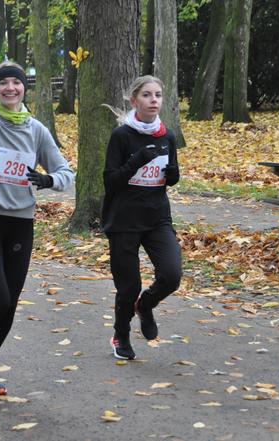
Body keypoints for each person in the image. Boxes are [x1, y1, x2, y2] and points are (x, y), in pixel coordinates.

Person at [0, 40, 75, 396]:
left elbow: (66, 172)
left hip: (22, 223)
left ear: (24, 88)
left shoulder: (37, 130)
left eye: (16, 82)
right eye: (3, 82)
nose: (10, 87)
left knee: (9, 306)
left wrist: (50, 179)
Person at [102, 75, 183, 360]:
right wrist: (136, 161)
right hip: (123, 220)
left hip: (157, 218)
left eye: (158, 95)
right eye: (147, 95)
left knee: (172, 275)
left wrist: (173, 175)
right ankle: (121, 336)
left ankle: (146, 305)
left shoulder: (167, 135)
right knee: (128, 286)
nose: (154, 100)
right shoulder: (122, 136)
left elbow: (169, 175)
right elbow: (110, 181)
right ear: (135, 100)